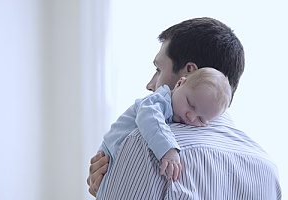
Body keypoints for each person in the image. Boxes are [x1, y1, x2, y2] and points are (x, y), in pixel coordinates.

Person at [88, 17, 282, 199]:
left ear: (189, 73)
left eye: (158, 69)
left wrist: (109, 188)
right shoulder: (267, 167)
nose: (149, 85)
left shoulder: (149, 144)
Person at [100, 67, 231, 182]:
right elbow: (149, 118)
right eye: (190, 104)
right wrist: (168, 149)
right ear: (180, 83)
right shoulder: (158, 100)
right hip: (109, 152)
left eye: (201, 119)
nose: (191, 117)